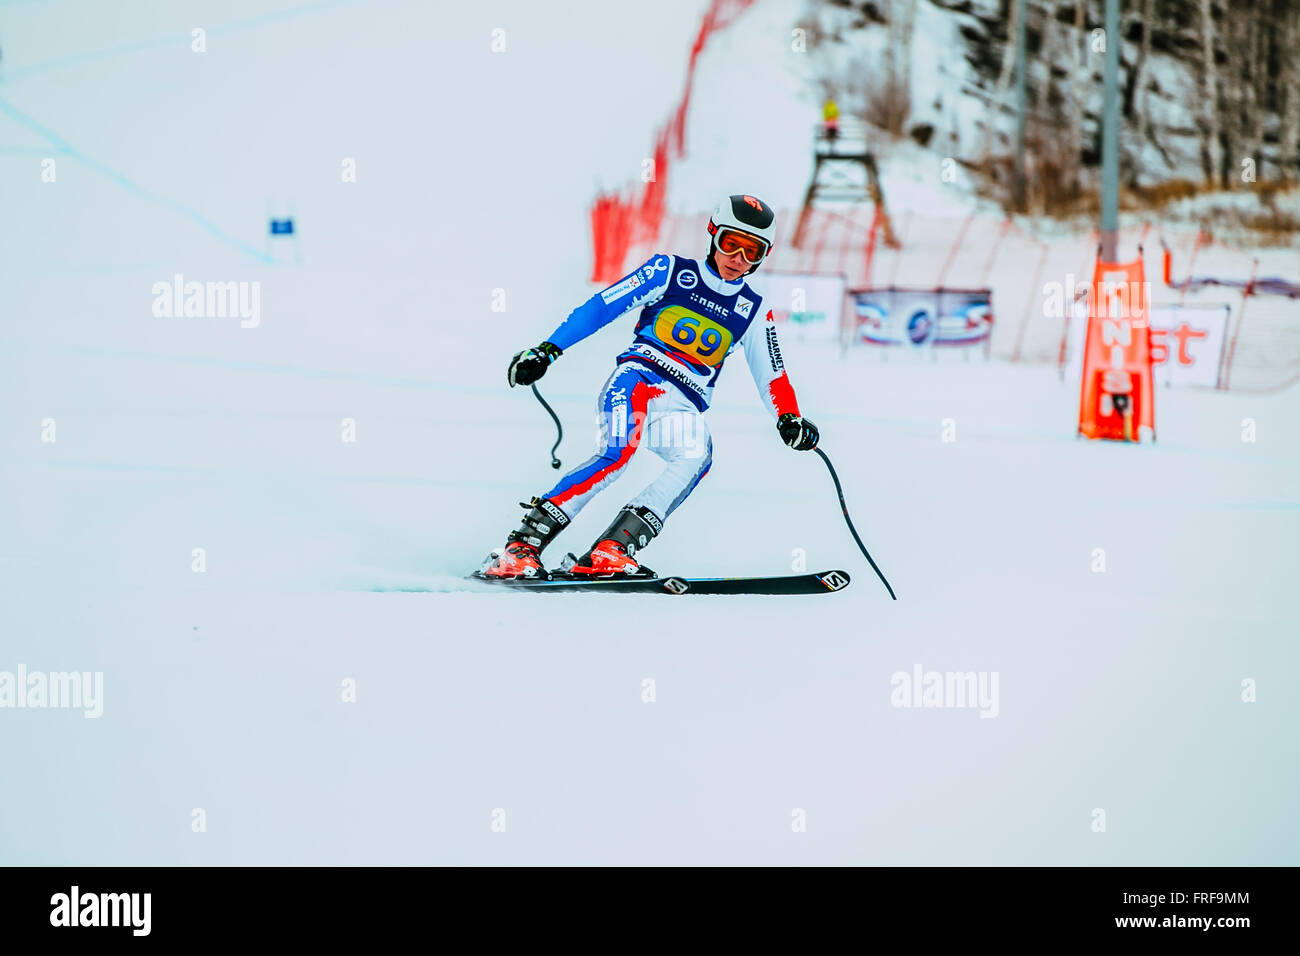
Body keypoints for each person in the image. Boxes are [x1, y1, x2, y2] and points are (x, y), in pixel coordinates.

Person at [481, 194, 820, 579]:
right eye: (730, 243)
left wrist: (789, 418)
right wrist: (547, 350)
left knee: (695, 458)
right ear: (712, 234)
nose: (738, 258)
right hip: (638, 381)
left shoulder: (753, 309)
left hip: (681, 408)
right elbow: (602, 307)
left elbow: (773, 374)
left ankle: (612, 549)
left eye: (752, 250)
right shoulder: (670, 271)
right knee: (616, 454)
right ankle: (521, 546)